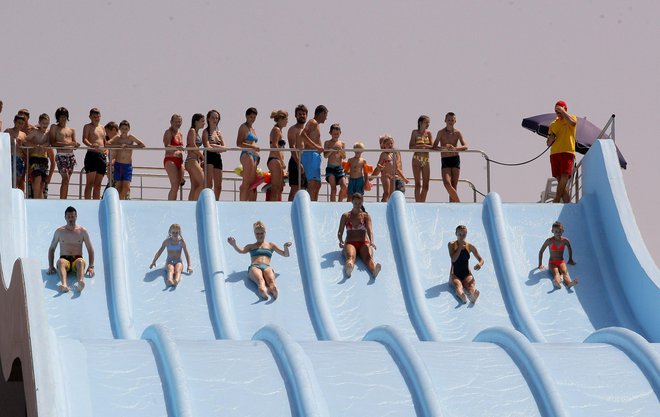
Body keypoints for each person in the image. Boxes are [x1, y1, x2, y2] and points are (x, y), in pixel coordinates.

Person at [227, 221, 292, 300]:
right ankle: (262, 290)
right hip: (255, 267)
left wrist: (285, 247)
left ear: (265, 233)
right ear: (254, 234)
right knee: (260, 280)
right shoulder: (251, 246)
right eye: (257, 234)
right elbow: (241, 251)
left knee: (271, 281)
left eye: (261, 233)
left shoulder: (271, 245)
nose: (259, 236)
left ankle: (273, 289)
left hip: (267, 267)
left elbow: (285, 254)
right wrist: (234, 244)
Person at [47, 206, 95, 293]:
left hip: (77, 259)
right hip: (64, 259)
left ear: (76, 217)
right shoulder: (59, 231)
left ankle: (81, 282)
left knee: (80, 262)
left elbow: (90, 249)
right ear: (65, 217)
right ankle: (64, 285)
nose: (70, 219)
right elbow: (51, 249)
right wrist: (51, 266)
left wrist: (91, 266)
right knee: (61, 262)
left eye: (72, 217)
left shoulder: (82, 231)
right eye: (68, 217)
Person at [337, 193, 381, 278]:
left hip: (363, 242)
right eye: (355, 203)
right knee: (351, 256)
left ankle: (374, 269)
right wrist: (340, 241)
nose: (357, 205)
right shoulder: (346, 216)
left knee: (368, 258)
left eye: (359, 203)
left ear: (362, 203)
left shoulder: (365, 216)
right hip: (350, 242)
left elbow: (369, 230)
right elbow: (340, 231)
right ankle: (349, 268)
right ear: (352, 202)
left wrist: (371, 242)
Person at [106, 120, 145, 199]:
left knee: (126, 187)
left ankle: (120, 200)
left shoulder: (130, 137)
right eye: (123, 128)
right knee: (118, 186)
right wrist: (119, 145)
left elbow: (142, 145)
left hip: (127, 166)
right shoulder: (117, 137)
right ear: (120, 129)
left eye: (126, 128)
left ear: (129, 129)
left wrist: (129, 146)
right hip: (118, 164)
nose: (124, 130)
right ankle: (119, 201)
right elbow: (107, 144)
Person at [547, 100, 577, 203]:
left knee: (565, 176)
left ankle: (556, 200)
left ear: (565, 109)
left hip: (567, 151)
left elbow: (573, 123)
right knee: (560, 180)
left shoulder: (571, 118)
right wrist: (551, 138)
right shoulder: (553, 124)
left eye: (559, 110)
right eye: (556, 110)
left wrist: (563, 112)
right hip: (555, 152)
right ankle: (567, 204)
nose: (557, 112)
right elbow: (548, 143)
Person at [433, 112, 467, 202]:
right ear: (445, 120)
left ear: (455, 121)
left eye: (452, 120)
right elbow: (434, 146)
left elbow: (465, 146)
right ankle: (459, 202)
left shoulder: (458, 133)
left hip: (455, 159)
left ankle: (453, 206)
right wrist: (444, 148)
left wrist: (454, 148)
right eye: (448, 120)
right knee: (447, 184)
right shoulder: (441, 132)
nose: (450, 122)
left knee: (454, 185)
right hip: (445, 159)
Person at [48, 107, 80, 199]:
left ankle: (64, 199)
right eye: (61, 116)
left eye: (64, 116)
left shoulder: (72, 130)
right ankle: (62, 200)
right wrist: (68, 144)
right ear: (58, 117)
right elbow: (53, 142)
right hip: (61, 155)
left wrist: (75, 145)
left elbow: (74, 144)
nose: (63, 118)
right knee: (65, 178)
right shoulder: (54, 127)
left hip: (71, 156)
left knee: (67, 180)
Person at [448, 225, 484, 304]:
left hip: (466, 274)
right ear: (456, 234)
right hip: (454, 274)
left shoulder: (470, 246)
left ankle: (473, 296)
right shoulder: (451, 244)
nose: (461, 236)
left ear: (466, 234)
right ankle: (462, 297)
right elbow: (453, 259)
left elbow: (481, 260)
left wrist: (479, 264)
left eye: (464, 234)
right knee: (458, 285)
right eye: (459, 234)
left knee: (471, 286)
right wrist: (460, 246)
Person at [537, 221, 578, 289]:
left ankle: (569, 283)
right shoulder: (549, 241)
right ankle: (557, 282)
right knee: (556, 273)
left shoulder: (565, 240)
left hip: (561, 261)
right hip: (552, 262)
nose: (558, 233)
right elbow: (541, 251)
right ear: (552, 231)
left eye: (559, 231)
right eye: (556, 231)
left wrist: (570, 259)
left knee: (564, 273)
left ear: (562, 231)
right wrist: (540, 264)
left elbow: (570, 249)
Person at [299, 105, 327, 201]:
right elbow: (302, 135)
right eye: (325, 115)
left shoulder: (316, 124)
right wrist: (316, 146)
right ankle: (310, 205)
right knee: (312, 183)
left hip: (315, 156)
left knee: (317, 184)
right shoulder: (313, 122)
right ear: (322, 113)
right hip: (310, 155)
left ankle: (314, 203)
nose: (326, 118)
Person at [372, 134, 409, 202]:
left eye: (391, 143)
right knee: (387, 193)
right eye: (387, 143)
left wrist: (403, 178)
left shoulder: (394, 153)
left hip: (393, 176)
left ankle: (389, 204)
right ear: (383, 145)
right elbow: (378, 166)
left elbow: (397, 167)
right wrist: (379, 167)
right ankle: (384, 204)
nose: (390, 145)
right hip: (386, 175)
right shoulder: (383, 154)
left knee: (391, 194)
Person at [25, 113, 53, 199]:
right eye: (43, 123)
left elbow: (50, 142)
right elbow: (26, 141)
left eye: (47, 123)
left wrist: (45, 145)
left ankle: (39, 201)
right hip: (35, 158)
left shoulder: (48, 133)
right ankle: (36, 200)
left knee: (42, 184)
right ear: (39, 123)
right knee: (37, 179)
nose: (45, 125)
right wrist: (35, 145)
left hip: (44, 159)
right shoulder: (35, 131)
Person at [82, 108, 108, 200]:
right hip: (92, 155)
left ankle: (96, 202)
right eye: (94, 117)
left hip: (101, 156)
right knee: (90, 183)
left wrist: (106, 150)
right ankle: (87, 202)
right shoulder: (87, 126)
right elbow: (84, 139)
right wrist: (91, 145)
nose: (96, 118)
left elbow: (105, 141)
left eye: (98, 116)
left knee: (98, 184)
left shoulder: (102, 128)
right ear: (90, 117)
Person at [201, 109, 227, 200]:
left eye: (216, 118)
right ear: (208, 119)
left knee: (218, 186)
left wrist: (214, 145)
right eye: (213, 118)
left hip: (217, 157)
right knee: (209, 184)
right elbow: (207, 147)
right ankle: (207, 201)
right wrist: (218, 148)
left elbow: (225, 148)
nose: (215, 120)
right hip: (209, 157)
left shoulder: (219, 133)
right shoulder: (205, 132)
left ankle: (216, 201)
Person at [237, 107, 260, 201]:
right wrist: (252, 147)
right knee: (246, 182)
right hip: (247, 154)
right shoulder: (243, 127)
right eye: (251, 117)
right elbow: (239, 143)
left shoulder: (252, 128)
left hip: (254, 156)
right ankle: (242, 203)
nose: (253, 119)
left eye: (254, 117)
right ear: (246, 116)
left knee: (253, 183)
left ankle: (250, 204)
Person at [409, 115, 433, 202]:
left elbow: (432, 146)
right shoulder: (415, 132)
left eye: (428, 123)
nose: (428, 124)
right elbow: (411, 147)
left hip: (426, 160)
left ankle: (422, 203)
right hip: (417, 159)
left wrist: (424, 145)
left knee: (426, 185)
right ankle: (418, 203)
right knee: (418, 184)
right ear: (420, 123)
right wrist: (421, 145)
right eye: (426, 122)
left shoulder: (429, 134)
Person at [287, 104, 308, 200]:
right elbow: (292, 147)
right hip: (295, 160)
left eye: (304, 114)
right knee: (295, 188)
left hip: (306, 159)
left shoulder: (307, 130)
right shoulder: (292, 130)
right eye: (300, 114)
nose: (302, 116)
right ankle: (288, 210)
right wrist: (298, 162)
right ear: (296, 115)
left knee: (305, 189)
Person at [323, 123, 348, 202]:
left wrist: (340, 151)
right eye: (334, 133)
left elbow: (344, 157)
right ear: (330, 133)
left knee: (344, 186)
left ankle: (340, 202)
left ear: (340, 133)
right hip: (330, 168)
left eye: (337, 133)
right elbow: (325, 156)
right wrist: (332, 149)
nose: (336, 135)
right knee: (333, 188)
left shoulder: (342, 144)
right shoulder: (327, 143)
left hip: (339, 169)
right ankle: (332, 204)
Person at [267, 110, 288, 201]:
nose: (287, 121)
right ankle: (272, 207)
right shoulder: (276, 130)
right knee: (275, 187)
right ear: (280, 119)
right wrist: (282, 161)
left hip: (277, 160)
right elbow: (275, 145)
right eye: (286, 119)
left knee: (280, 187)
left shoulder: (279, 130)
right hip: (274, 159)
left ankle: (276, 204)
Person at [163, 114, 185, 200]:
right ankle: (171, 205)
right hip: (170, 159)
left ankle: (174, 203)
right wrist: (176, 148)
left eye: (179, 121)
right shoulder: (168, 132)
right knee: (174, 185)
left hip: (180, 160)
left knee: (178, 184)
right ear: (171, 122)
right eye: (176, 121)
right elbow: (167, 146)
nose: (178, 123)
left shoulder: (180, 134)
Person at [185, 113, 206, 201]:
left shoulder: (196, 132)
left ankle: (190, 204)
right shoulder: (192, 131)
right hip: (191, 160)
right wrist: (202, 156)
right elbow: (193, 145)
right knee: (203, 183)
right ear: (196, 121)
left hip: (194, 160)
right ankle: (195, 203)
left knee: (195, 185)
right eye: (202, 121)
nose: (204, 123)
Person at [5, 114, 28, 191]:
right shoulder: (8, 131)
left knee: (18, 180)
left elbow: (25, 151)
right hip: (10, 158)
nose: (20, 125)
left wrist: (21, 145)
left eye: (22, 123)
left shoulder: (23, 135)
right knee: (10, 180)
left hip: (19, 159)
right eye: (19, 123)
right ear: (14, 122)